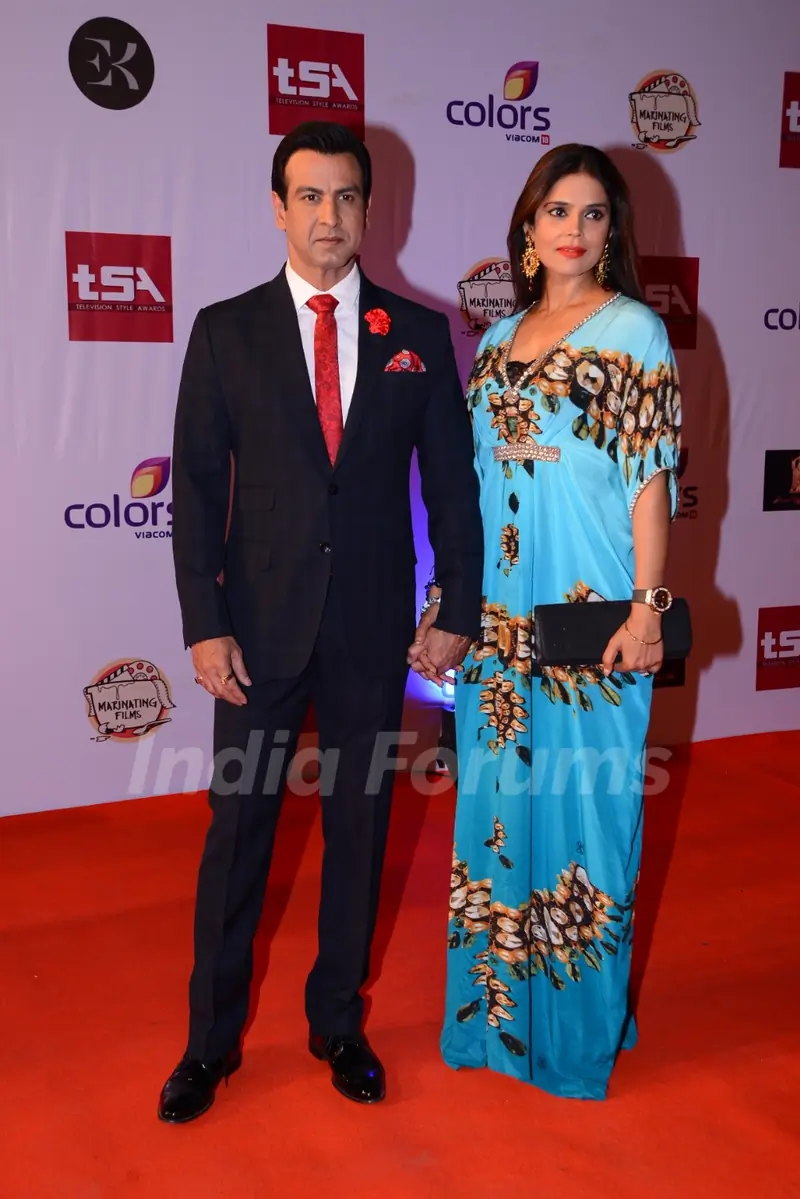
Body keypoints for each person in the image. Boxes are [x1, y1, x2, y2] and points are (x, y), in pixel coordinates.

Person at [158, 121, 483, 1123]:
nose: (328, 216)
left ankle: (337, 1021)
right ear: (278, 207)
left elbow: (454, 488)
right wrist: (204, 622)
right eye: (309, 196)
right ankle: (209, 1042)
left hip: (372, 627)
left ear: (370, 209)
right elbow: (195, 487)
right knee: (238, 832)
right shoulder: (226, 330)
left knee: (359, 825)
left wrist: (457, 605)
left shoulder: (417, 333)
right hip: (256, 631)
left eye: (346, 196)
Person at [439, 144, 681, 1100]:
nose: (572, 229)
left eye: (591, 213)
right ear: (528, 229)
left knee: (587, 822)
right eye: (555, 211)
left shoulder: (635, 332)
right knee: (499, 814)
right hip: (501, 622)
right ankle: (497, 1026)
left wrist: (649, 608)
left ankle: (577, 1036)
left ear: (611, 230)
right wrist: (450, 599)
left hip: (592, 618)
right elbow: (470, 487)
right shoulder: (496, 340)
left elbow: (650, 479)